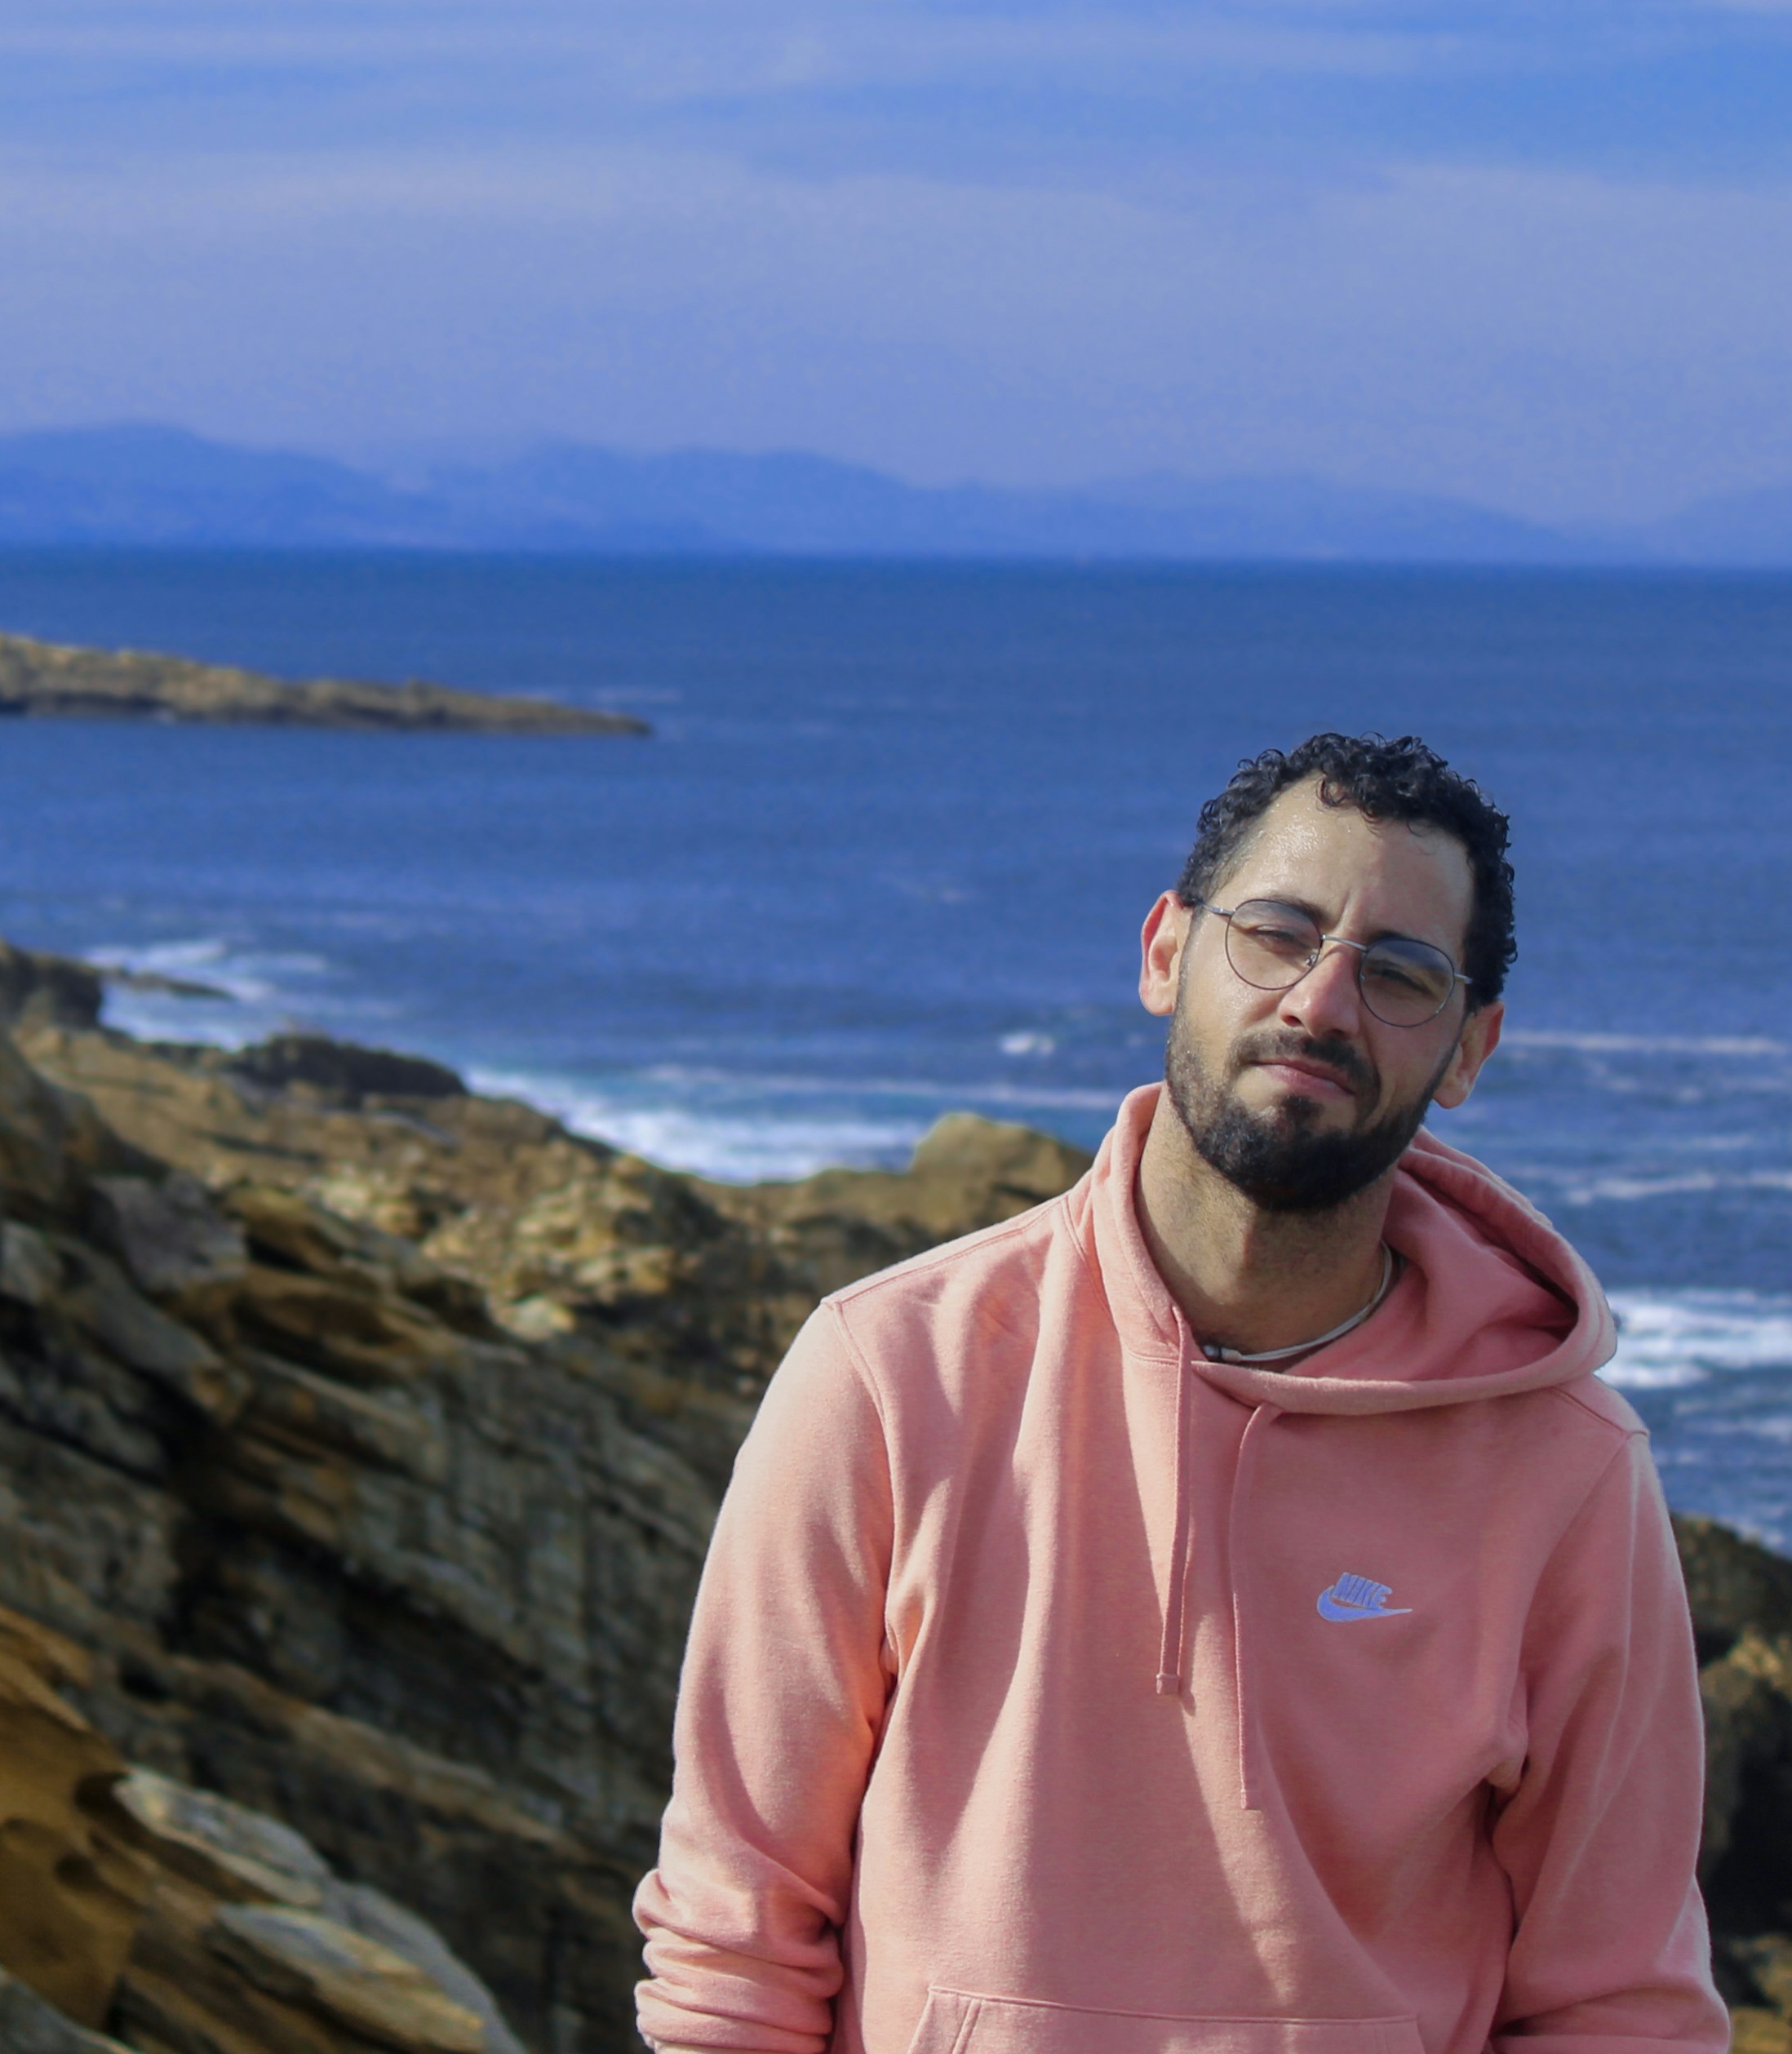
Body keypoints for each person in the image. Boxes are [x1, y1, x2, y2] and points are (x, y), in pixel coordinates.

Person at [634, 733, 1726, 2054]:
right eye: (1277, 932)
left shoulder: (1566, 1466)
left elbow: (1619, 2003)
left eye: (1399, 973)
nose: (1322, 1002)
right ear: (1166, 950)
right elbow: (735, 1936)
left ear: (1466, 1049)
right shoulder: (890, 1372)